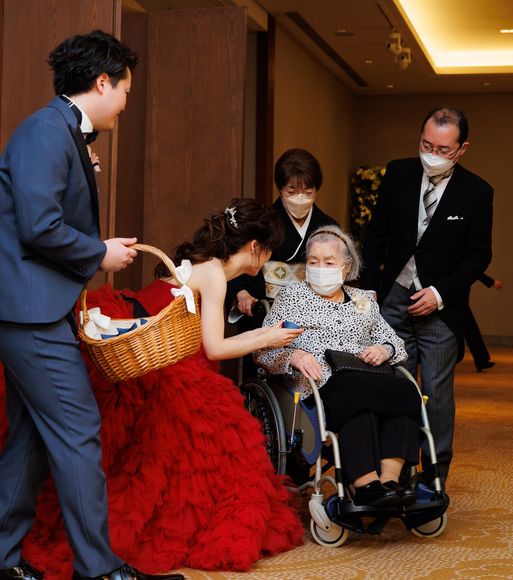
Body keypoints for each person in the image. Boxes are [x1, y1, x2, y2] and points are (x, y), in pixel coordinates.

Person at [0, 198, 305, 579]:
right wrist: (268, 339)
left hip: (141, 349)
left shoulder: (199, 264)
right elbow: (215, 348)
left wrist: (266, 334)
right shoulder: (214, 275)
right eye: (270, 250)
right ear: (256, 247)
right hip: (159, 364)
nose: (269, 258)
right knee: (222, 430)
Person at [0, 31, 182, 580]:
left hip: (32, 309)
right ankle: (98, 570)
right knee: (78, 431)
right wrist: (99, 253)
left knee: (31, 439)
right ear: (102, 82)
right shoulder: (46, 132)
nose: (125, 102)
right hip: (30, 313)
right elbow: (39, 226)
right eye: (125, 90)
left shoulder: (61, 132)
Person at [360, 107, 493, 485]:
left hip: (441, 310)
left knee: (435, 394)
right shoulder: (398, 173)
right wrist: (368, 289)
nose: (432, 154)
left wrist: (439, 292)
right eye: (426, 145)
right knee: (395, 387)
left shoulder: (477, 192)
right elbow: (376, 235)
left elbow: (479, 256)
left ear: (462, 149)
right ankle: (394, 474)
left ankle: (434, 478)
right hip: (393, 299)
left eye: (443, 149)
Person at [255, 226, 421, 507]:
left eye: (329, 262)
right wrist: (294, 356)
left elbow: (395, 343)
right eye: (313, 261)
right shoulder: (292, 296)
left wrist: (384, 349)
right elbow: (262, 349)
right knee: (353, 392)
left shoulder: (363, 300)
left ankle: (390, 481)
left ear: (346, 267)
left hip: (365, 375)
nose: (320, 268)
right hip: (320, 383)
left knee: (405, 390)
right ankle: (365, 484)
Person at [228, 148, 337, 317]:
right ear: (280, 189)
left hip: (312, 309)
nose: (300, 197)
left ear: (316, 190)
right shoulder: (261, 222)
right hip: (264, 305)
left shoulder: (328, 226)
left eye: (308, 192)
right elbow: (237, 260)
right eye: (291, 192)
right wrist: (241, 292)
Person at [466, 273, 503, 371]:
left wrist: (491, 282)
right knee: (471, 330)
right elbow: (472, 269)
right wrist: (491, 282)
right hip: (454, 300)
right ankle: (481, 360)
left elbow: (472, 269)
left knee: (471, 330)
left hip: (457, 299)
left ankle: (481, 360)